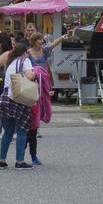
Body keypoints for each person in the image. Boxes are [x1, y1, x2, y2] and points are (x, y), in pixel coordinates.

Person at [24, 30, 70, 165]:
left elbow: (53, 44)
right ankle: (23, 152)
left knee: (36, 122)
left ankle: (32, 154)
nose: (41, 41)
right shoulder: (27, 54)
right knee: (29, 124)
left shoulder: (44, 51)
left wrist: (62, 37)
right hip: (30, 89)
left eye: (42, 39)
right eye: (39, 39)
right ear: (33, 41)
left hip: (42, 90)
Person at [0, 39, 36, 171]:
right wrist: (37, 73)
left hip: (6, 98)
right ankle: (19, 161)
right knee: (22, 130)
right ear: (24, 53)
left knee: (8, 131)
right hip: (19, 98)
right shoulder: (25, 61)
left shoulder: (11, 63)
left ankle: (2, 161)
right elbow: (29, 76)